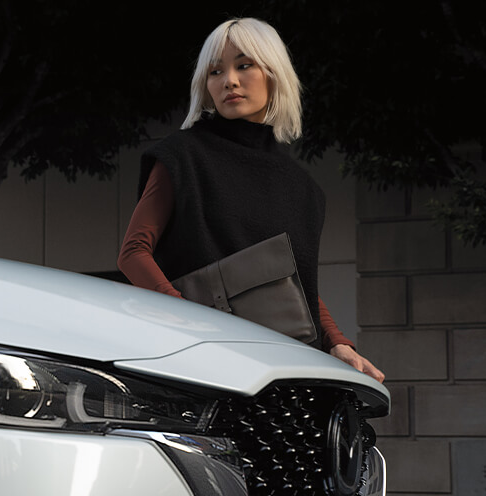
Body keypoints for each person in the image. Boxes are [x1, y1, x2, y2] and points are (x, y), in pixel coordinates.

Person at [117, 17, 384, 383]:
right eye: (215, 71)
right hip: (195, 364)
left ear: (274, 73)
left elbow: (301, 286)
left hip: (276, 368)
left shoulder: (303, 189)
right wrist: (190, 326)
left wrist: (338, 342)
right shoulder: (183, 155)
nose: (229, 80)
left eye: (244, 65)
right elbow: (133, 253)